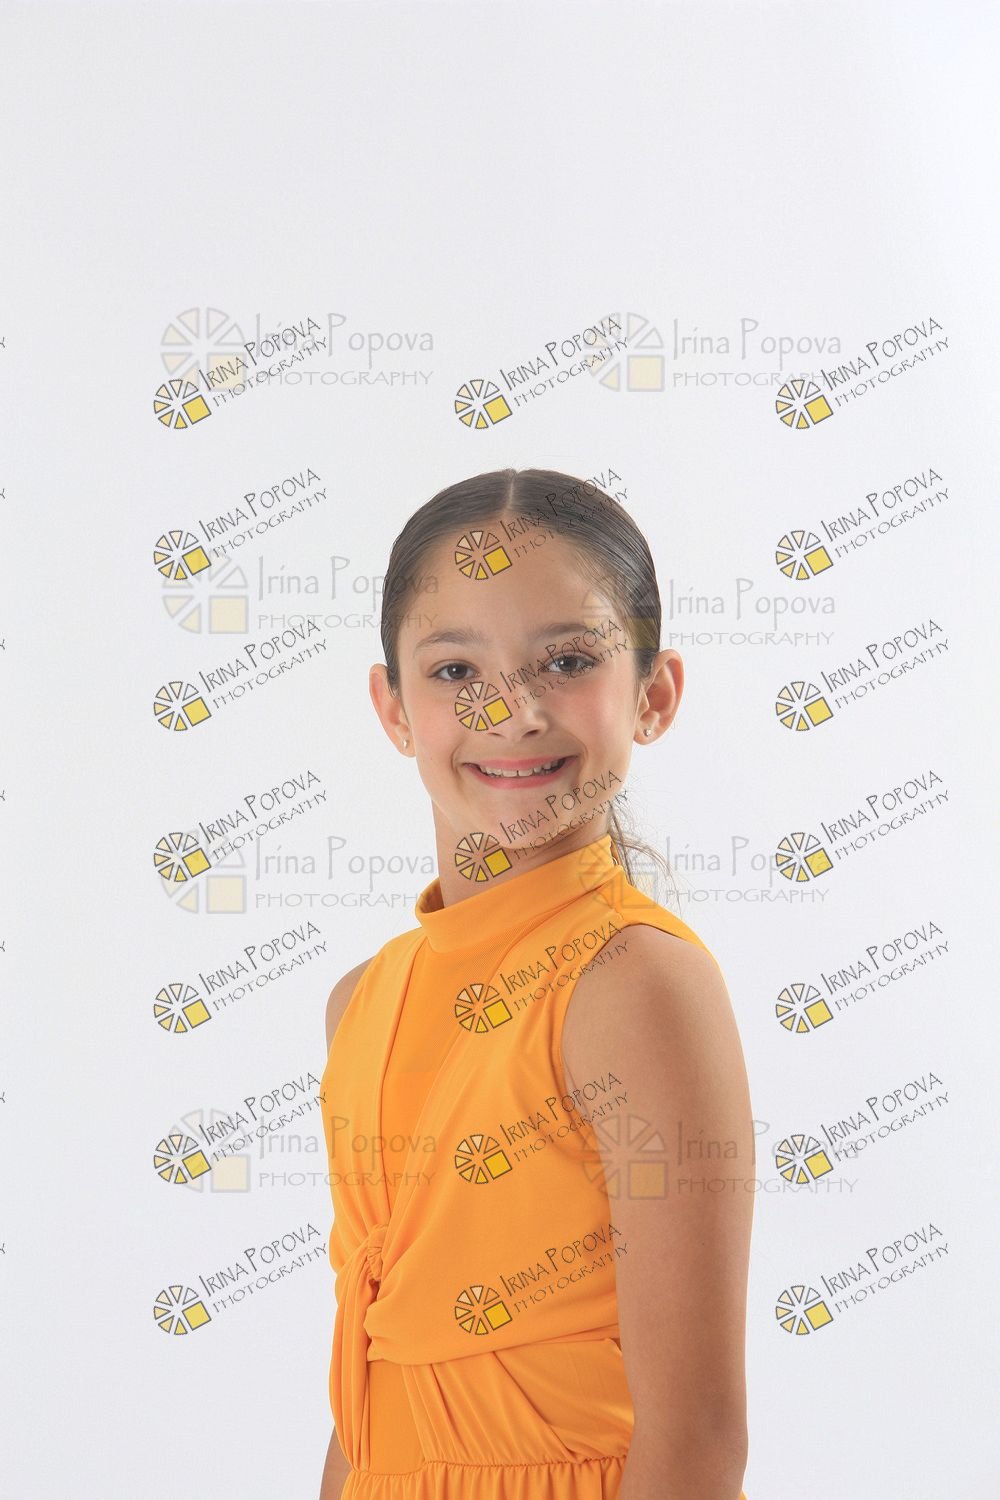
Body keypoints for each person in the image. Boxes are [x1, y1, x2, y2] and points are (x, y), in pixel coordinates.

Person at [319, 468, 754, 1500]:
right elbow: (369, 1407)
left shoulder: (634, 984)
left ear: (653, 696)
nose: (510, 711)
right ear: (392, 708)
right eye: (454, 669)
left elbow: (695, 1439)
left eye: (566, 661)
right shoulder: (361, 1001)